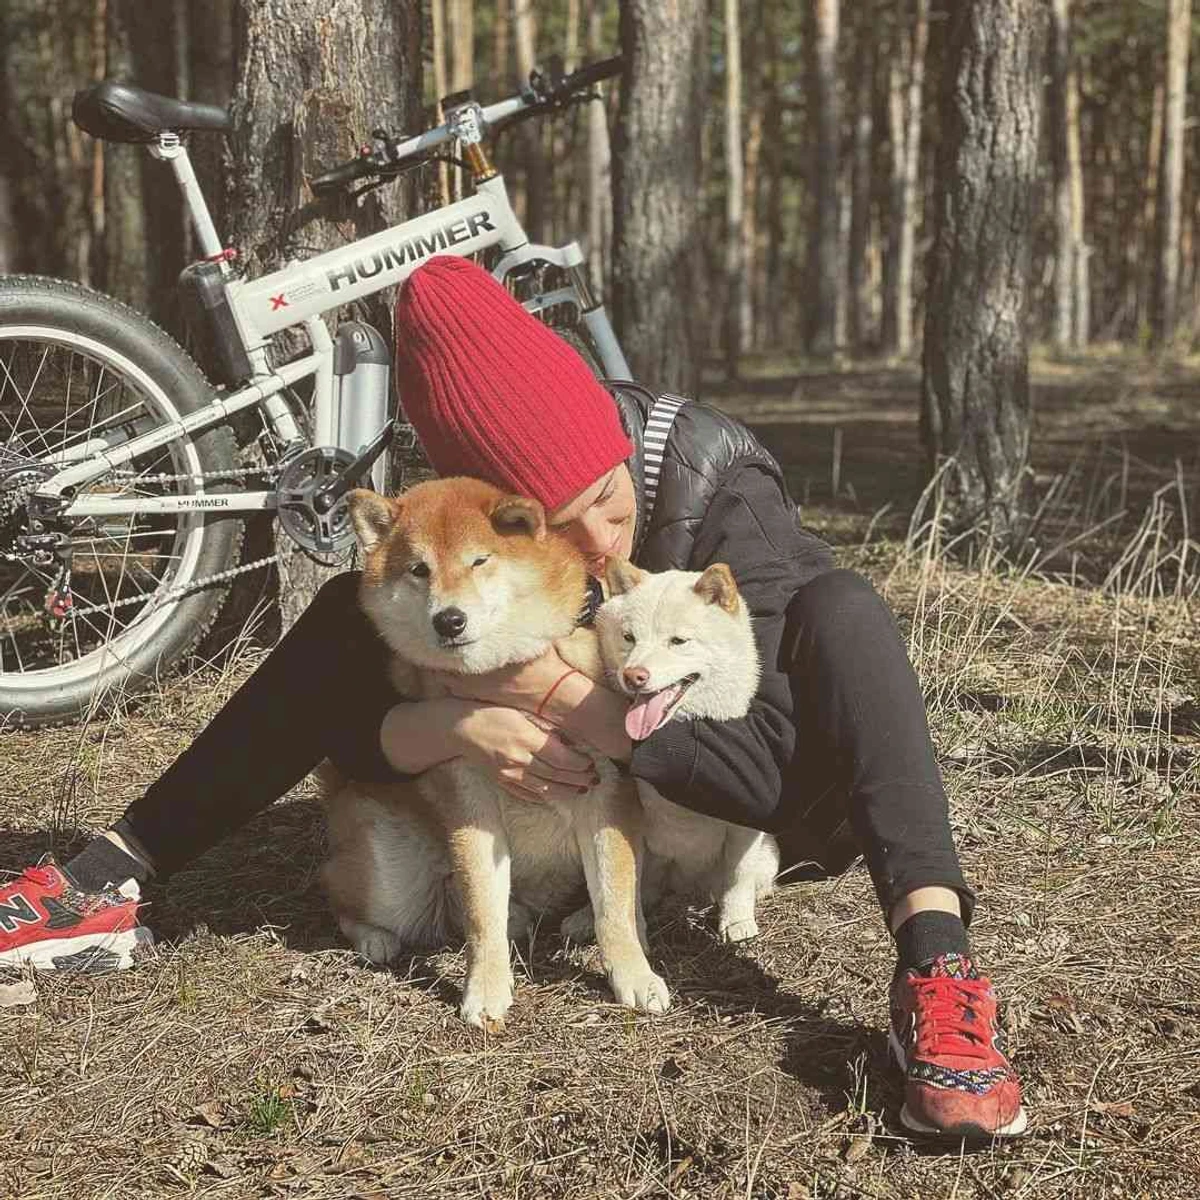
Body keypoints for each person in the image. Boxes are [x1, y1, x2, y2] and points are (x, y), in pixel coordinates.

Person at [0, 256, 1025, 1140]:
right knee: (349, 614)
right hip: (583, 828)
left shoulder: (716, 487)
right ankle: (107, 876)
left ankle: (936, 972)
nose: (602, 544)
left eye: (612, 506)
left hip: (765, 808)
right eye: (563, 530)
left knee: (848, 608)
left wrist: (548, 689)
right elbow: (355, 721)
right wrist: (442, 722)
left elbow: (757, 768)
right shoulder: (479, 541)